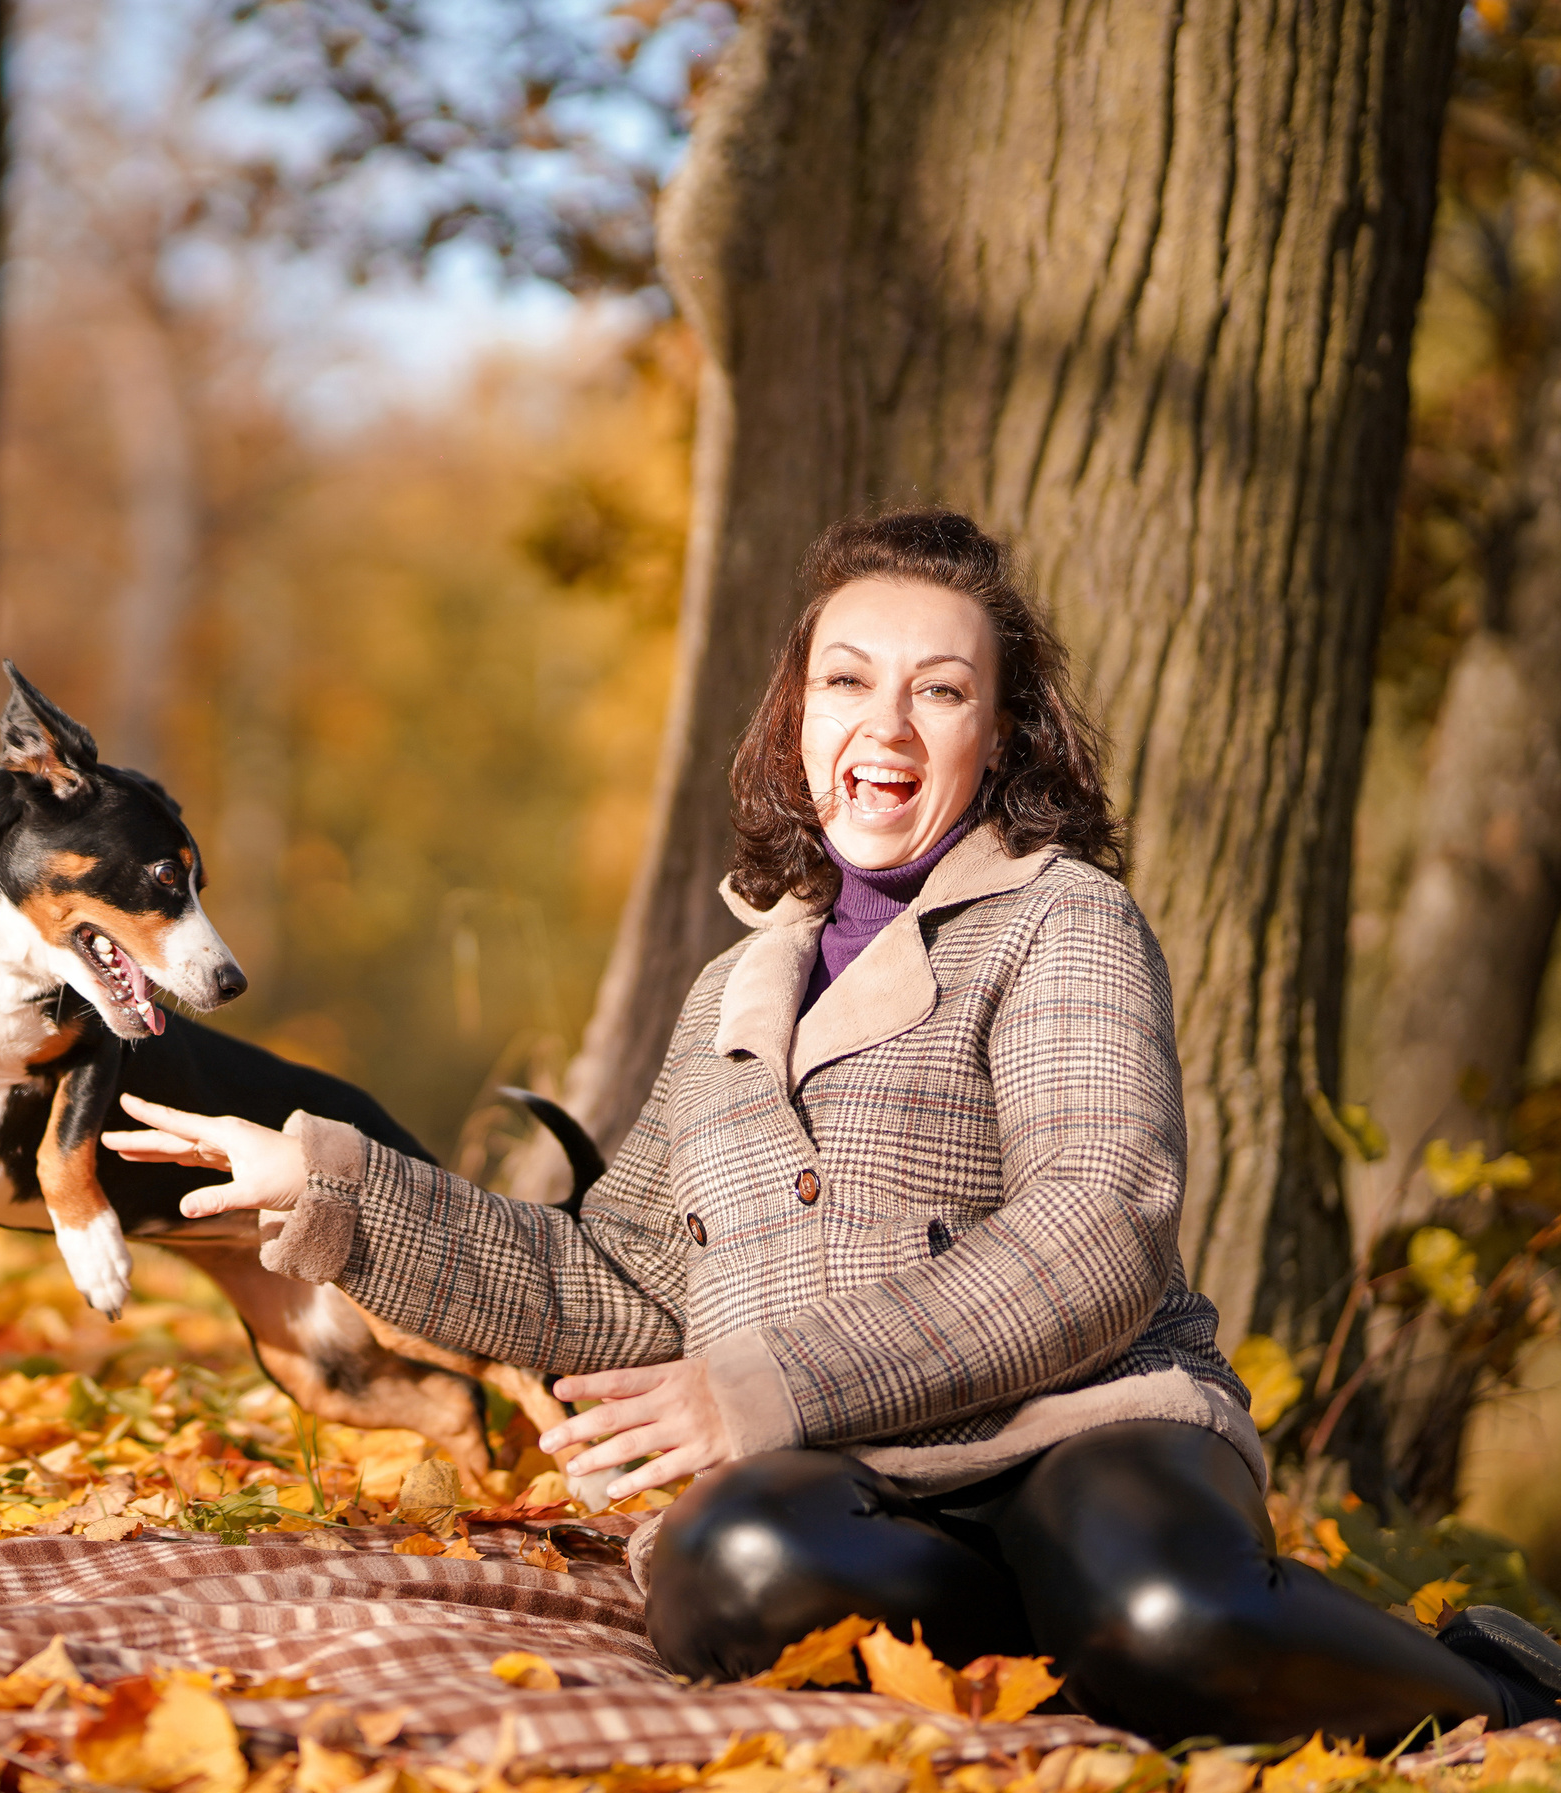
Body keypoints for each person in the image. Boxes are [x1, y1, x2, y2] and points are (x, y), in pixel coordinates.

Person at [101, 508, 1561, 1745]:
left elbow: (1098, 1227)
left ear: (999, 732)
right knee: (731, 1568)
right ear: (797, 717)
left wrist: (762, 1383)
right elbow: (611, 1285)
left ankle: (1503, 1686)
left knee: (1167, 1611)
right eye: (848, 680)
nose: (886, 724)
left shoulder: (1065, 922)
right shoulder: (732, 986)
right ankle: (1066, 1641)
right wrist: (335, 1189)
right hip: (861, 1485)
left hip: (1078, 1424)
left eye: (939, 691)